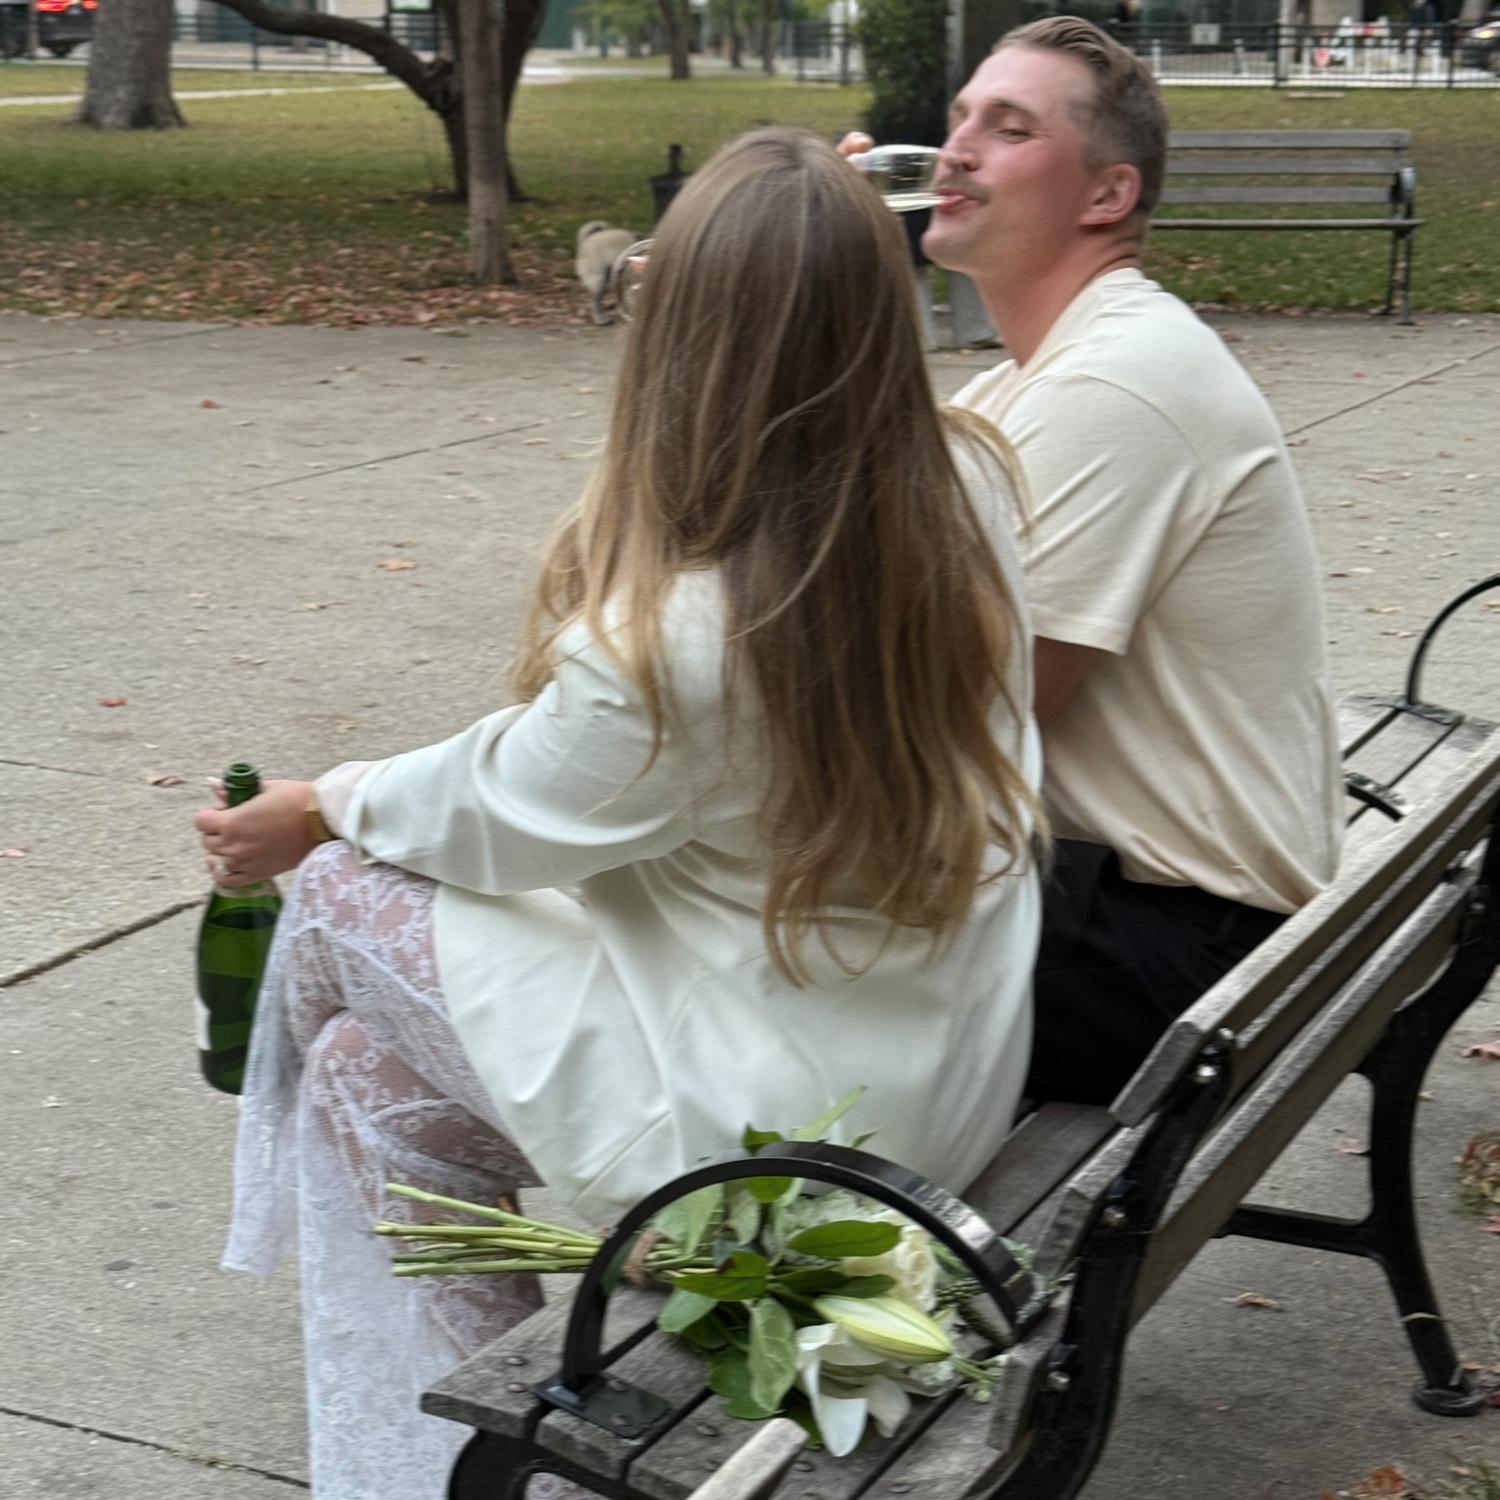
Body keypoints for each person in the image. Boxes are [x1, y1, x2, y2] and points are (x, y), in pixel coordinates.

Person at [197, 127, 1044, 1500]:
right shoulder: (969, 482)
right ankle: (443, 1467)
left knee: (339, 894)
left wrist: (317, 805)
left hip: (774, 1169)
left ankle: (260, 1137)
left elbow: (487, 810)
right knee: (363, 1074)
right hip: (930, 1083)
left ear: (678, 346)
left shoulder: (683, 647)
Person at [916, 17, 1344, 1105]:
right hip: (1133, 904)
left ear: (1107, 195)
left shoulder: (1110, 385)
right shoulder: (1037, 378)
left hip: (1177, 949)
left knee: (689, 950)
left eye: (1009, 128)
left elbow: (968, 720)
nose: (957, 148)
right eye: (961, 117)